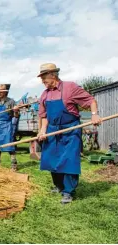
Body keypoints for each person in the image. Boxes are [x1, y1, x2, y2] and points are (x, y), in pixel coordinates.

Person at [36, 63, 101, 204]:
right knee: (52, 160)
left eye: (44, 77)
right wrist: (42, 130)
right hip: (52, 131)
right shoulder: (45, 94)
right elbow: (44, 115)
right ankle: (59, 186)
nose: (42, 81)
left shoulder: (70, 87)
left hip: (70, 130)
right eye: (41, 78)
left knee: (69, 161)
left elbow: (91, 100)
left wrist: (94, 115)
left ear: (53, 75)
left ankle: (68, 191)